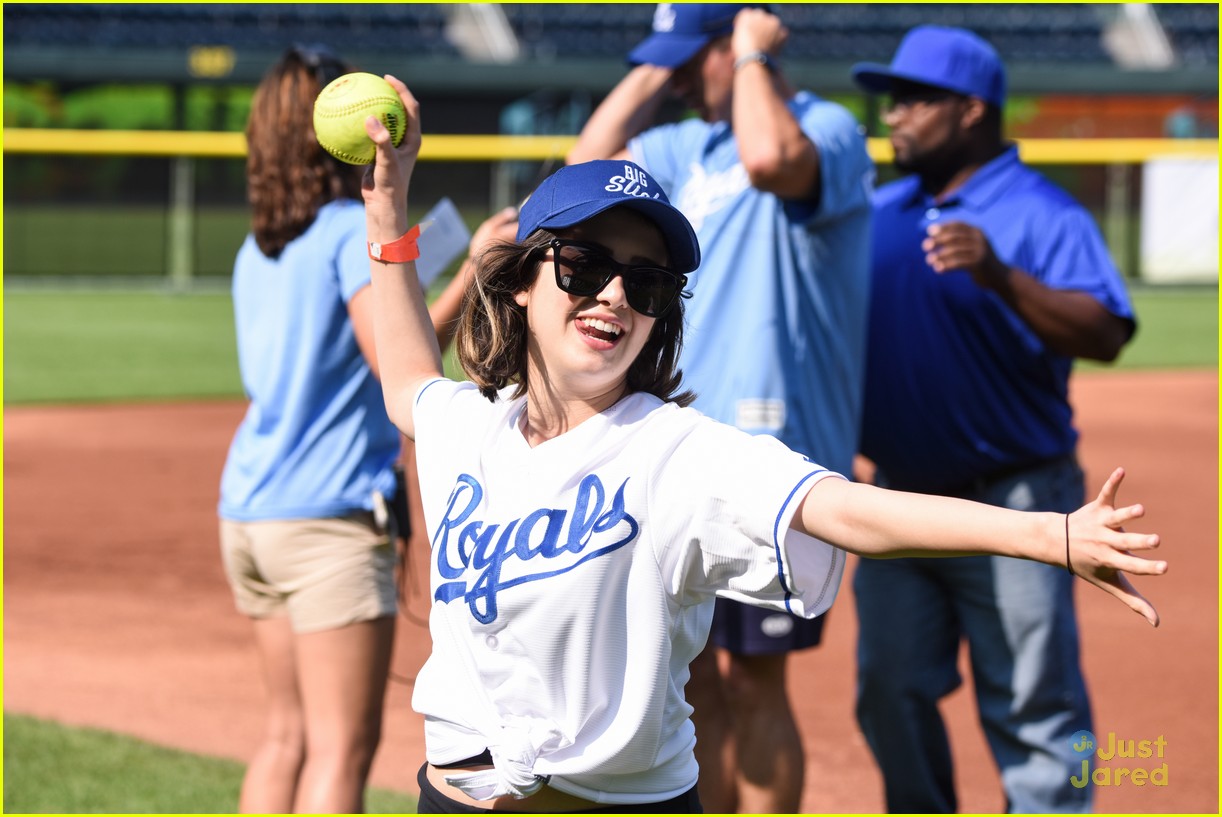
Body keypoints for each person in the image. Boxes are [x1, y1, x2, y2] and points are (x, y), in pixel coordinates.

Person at [361, 75, 1164, 814]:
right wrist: (389, 207)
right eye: (584, 263)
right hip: (454, 796)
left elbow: (848, 510)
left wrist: (1048, 533)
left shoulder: (675, 453)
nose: (614, 293)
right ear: (521, 280)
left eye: (645, 282)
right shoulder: (471, 427)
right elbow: (404, 373)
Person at [567, 5, 874, 810]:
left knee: (755, 677)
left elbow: (772, 160)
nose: (675, 79)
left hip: (775, 444)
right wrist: (653, 72)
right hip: (673, 441)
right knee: (691, 671)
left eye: (685, 59)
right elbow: (580, 178)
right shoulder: (681, 144)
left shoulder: (827, 129)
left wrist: (747, 56)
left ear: (735, 45)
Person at [848, 26, 1141, 813]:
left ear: (972, 110)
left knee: (1040, 705)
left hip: (1018, 496)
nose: (894, 116)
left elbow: (1108, 333)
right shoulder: (880, 209)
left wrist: (1000, 276)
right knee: (888, 689)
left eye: (915, 99)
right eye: (892, 101)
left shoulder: (1041, 211)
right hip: (902, 500)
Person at [216, 45, 515, 813]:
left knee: (286, 735)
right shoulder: (349, 232)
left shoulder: (260, 244)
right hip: (326, 521)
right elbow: (399, 368)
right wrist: (476, 266)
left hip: (250, 510)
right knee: (341, 750)